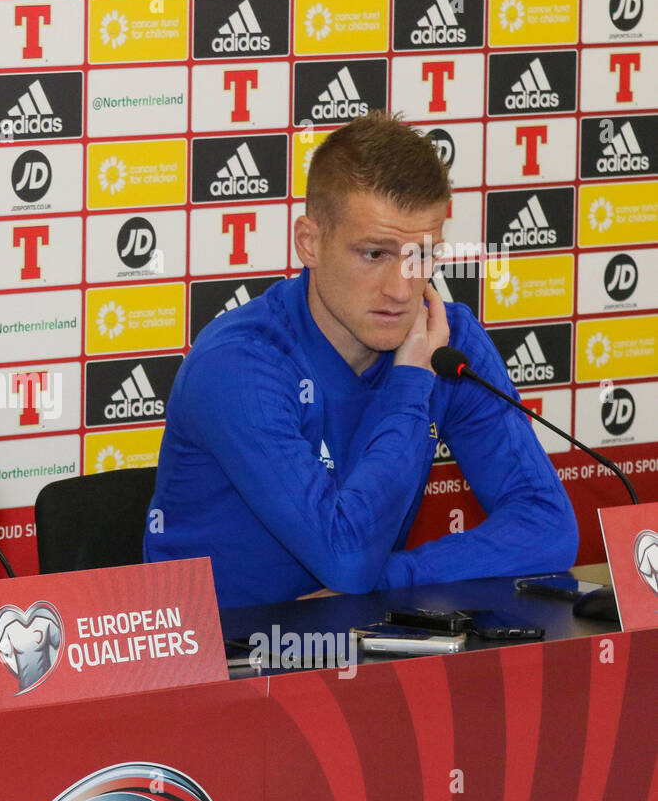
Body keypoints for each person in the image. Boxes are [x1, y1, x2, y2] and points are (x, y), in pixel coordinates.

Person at [145, 112, 577, 606]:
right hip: (219, 660)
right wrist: (411, 382)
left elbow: (549, 528)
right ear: (309, 242)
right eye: (374, 254)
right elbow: (347, 559)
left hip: (360, 639)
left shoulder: (445, 343)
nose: (401, 289)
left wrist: (393, 575)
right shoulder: (238, 365)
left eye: (421, 256)